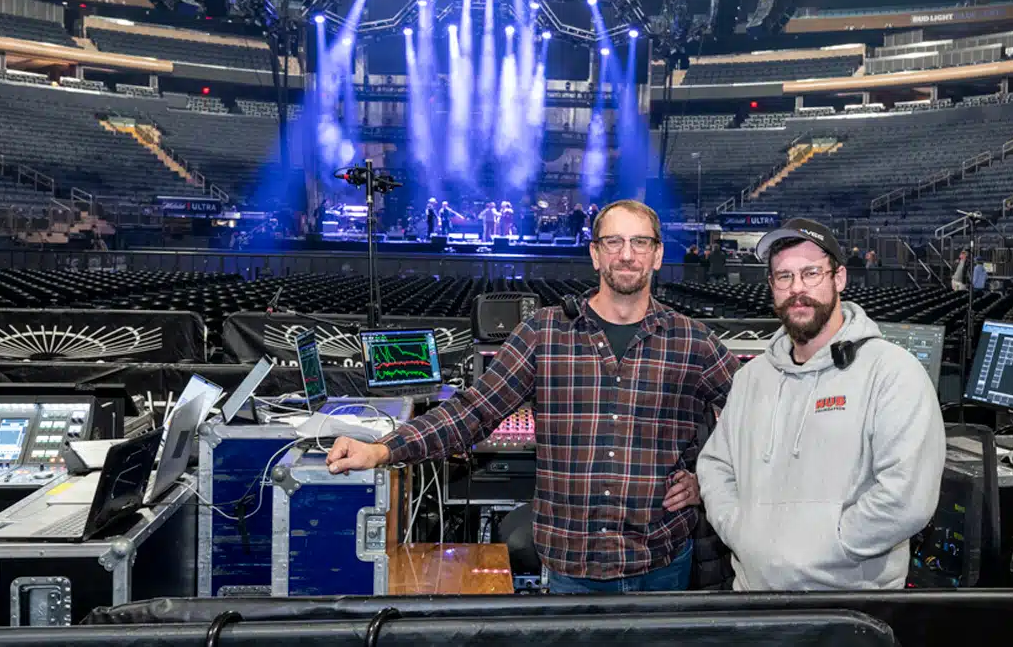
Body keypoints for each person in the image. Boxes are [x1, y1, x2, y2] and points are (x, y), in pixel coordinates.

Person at [327, 199, 738, 593]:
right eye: (613, 242)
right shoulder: (543, 333)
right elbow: (473, 411)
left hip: (661, 561)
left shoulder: (692, 341)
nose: (626, 254)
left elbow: (756, 418)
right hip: (572, 566)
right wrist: (382, 450)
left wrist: (709, 481)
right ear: (596, 255)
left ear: (657, 255)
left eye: (639, 242)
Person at [696, 217, 945, 591]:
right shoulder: (751, 378)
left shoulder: (893, 372)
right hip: (753, 600)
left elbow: (907, 497)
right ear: (772, 286)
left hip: (850, 608)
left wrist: (828, 544)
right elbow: (716, 465)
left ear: (839, 278)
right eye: (784, 277)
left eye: (811, 273)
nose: (797, 289)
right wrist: (743, 532)